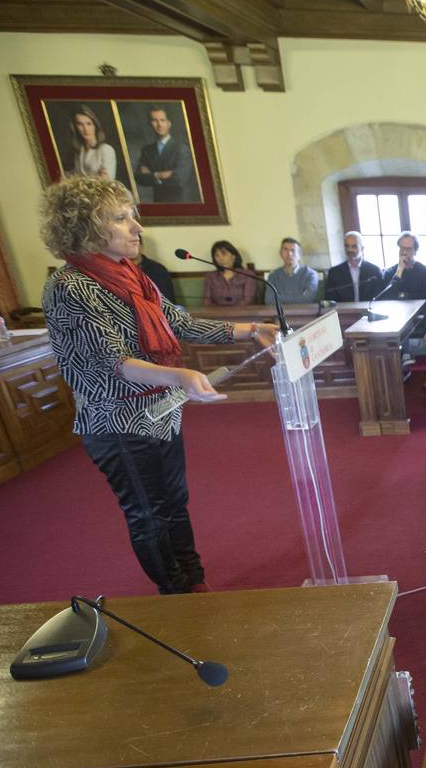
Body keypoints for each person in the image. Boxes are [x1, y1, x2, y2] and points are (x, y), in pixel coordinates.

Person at [39, 177, 278, 593]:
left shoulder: (132, 275)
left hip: (160, 413)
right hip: (118, 423)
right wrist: (179, 376)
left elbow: (179, 322)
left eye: (132, 215)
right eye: (120, 218)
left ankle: (194, 583)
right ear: (86, 227)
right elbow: (112, 361)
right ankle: (176, 594)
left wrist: (251, 328)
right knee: (149, 514)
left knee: (174, 504)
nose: (137, 227)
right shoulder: (69, 287)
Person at [133, 106, 199, 203]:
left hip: (179, 203)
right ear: (150, 124)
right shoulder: (147, 150)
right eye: (155, 120)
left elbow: (179, 179)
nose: (159, 124)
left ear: (169, 123)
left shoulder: (181, 149)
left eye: (162, 120)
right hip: (158, 203)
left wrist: (152, 175)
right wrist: (161, 175)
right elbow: (139, 178)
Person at [324, 231, 385, 303]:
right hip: (344, 312)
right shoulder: (334, 272)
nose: (350, 250)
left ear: (362, 249)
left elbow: (380, 298)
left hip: (368, 310)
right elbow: (329, 300)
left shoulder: (374, 271)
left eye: (354, 246)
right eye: (347, 246)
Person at [382, 231, 426, 302]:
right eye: (402, 248)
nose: (404, 252)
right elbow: (387, 296)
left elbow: (425, 298)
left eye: (408, 249)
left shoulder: (425, 272)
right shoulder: (389, 272)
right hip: (395, 310)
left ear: (415, 251)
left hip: (420, 311)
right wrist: (399, 270)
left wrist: (400, 295)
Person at [265, 237, 319, 306]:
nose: (289, 254)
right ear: (280, 253)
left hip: (304, 314)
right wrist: (299, 297)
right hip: (280, 315)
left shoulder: (311, 274)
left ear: (299, 255)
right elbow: (269, 300)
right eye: (285, 250)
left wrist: (279, 298)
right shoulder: (273, 275)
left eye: (293, 250)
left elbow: (308, 299)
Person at [202, 239, 256, 307]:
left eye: (224, 254)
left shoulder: (248, 275)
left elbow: (248, 300)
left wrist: (230, 312)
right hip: (217, 315)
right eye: (217, 255)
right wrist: (220, 313)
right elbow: (206, 302)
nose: (220, 258)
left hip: (243, 314)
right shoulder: (210, 277)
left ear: (233, 256)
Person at [68, 105, 116, 180]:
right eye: (80, 124)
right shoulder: (79, 152)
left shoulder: (106, 150)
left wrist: (83, 180)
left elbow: (107, 180)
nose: (85, 129)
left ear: (95, 126)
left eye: (89, 124)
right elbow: (75, 177)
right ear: (75, 127)